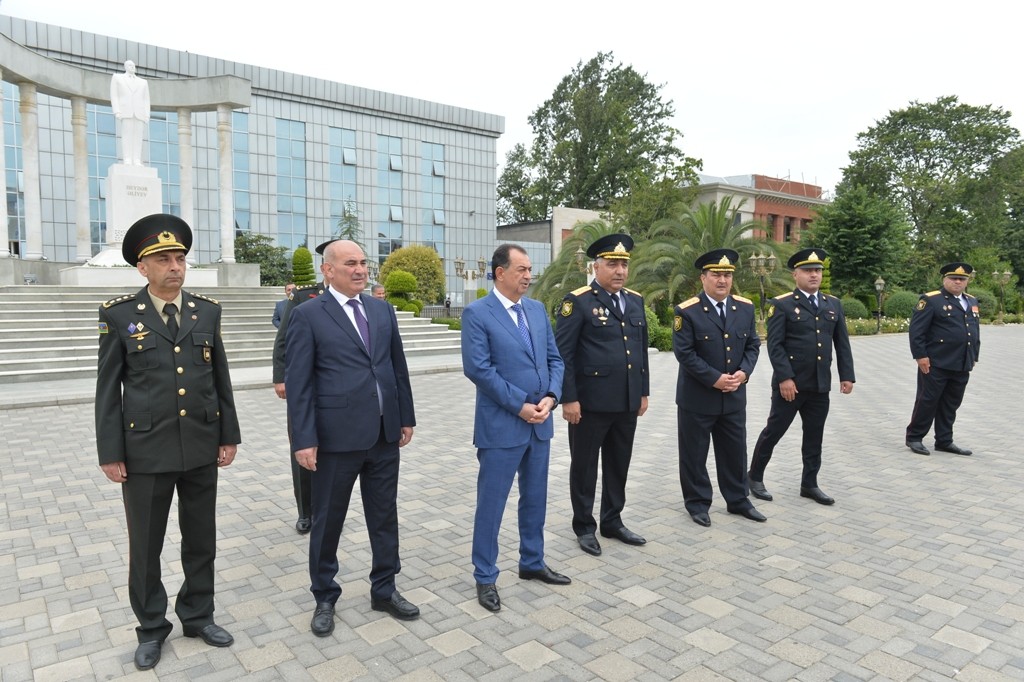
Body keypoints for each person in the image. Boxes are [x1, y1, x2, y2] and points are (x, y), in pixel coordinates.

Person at [95, 213, 241, 671]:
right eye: (163, 259)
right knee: (146, 546)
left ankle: (198, 615)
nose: (175, 266)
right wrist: (111, 452)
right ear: (143, 268)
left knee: (201, 539)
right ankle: (151, 628)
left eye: (179, 258)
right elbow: (108, 390)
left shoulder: (206, 310)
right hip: (146, 452)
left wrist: (229, 435)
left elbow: (220, 378)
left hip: (200, 444)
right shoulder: (119, 315)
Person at [285, 239, 419, 635]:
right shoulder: (308, 314)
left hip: (382, 435)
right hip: (335, 439)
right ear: (328, 270)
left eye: (364, 262)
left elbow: (397, 366)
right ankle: (325, 595)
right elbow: (300, 383)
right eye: (350, 264)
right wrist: (303, 439)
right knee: (328, 522)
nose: (361, 270)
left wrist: (405, 417)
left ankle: (385, 588)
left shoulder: (381, 309)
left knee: (384, 516)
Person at [462, 244, 568, 612]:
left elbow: (555, 358)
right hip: (502, 425)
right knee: (492, 504)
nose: (528, 276)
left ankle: (532, 562)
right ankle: (485, 575)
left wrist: (552, 397)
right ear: (499, 272)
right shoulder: (477, 314)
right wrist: (520, 406)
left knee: (535, 498)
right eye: (521, 269)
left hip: (541, 422)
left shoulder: (537, 311)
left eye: (529, 270)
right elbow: (479, 369)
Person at [554, 233, 649, 556]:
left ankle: (613, 520)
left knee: (619, 462)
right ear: (596, 267)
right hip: (589, 404)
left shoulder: (635, 300)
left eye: (624, 264)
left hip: (626, 400)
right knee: (584, 466)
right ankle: (584, 525)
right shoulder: (577, 301)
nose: (620, 271)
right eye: (612, 264)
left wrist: (643, 391)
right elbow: (562, 355)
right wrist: (568, 398)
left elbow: (640, 352)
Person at [748, 249, 855, 506]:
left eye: (817, 270)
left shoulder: (833, 304)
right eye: (808, 271)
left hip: (819, 385)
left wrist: (847, 375)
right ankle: (754, 477)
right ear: (795, 274)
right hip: (791, 386)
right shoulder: (782, 304)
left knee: (814, 435)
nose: (814, 275)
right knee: (774, 431)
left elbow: (842, 343)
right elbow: (775, 346)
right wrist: (785, 378)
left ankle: (809, 483)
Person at [673, 248, 763, 527]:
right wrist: (715, 378)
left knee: (735, 452)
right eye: (716, 275)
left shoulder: (745, 307)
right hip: (698, 397)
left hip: (734, 395)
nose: (722, 280)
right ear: (703, 278)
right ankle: (698, 503)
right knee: (694, 454)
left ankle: (738, 499)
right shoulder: (686, 311)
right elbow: (684, 353)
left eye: (727, 275)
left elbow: (753, 345)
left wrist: (744, 373)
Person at [273, 245, 337, 535]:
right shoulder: (302, 296)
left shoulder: (355, 298)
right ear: (327, 267)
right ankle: (306, 511)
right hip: (305, 385)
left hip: (337, 388)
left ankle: (329, 509)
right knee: (303, 445)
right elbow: (283, 339)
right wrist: (280, 377)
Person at [905, 262, 980, 456]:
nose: (958, 281)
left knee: (951, 403)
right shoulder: (931, 300)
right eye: (953, 278)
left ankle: (944, 440)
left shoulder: (971, 301)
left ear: (967, 282)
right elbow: (917, 331)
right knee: (927, 400)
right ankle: (915, 437)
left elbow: (974, 330)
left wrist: (974, 356)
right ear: (944, 279)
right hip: (936, 362)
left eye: (962, 279)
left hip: (962, 362)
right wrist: (920, 356)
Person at [109, 60, 151, 166]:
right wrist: (117, 110)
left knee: (138, 137)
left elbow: (146, 99)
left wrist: (147, 114)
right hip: (126, 111)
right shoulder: (117, 78)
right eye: (129, 65)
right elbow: (114, 95)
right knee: (127, 135)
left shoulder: (143, 82)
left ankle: (136, 159)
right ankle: (127, 159)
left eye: (133, 65)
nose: (132, 67)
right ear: (125, 67)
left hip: (139, 113)